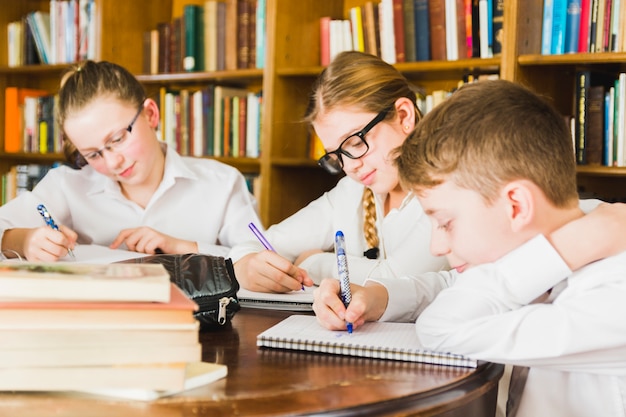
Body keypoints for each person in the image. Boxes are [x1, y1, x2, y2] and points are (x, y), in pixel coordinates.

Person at [313, 79, 626, 417]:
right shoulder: (583, 222)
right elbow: (457, 284)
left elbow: (443, 326)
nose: (436, 246)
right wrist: (378, 298)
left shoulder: (611, 293)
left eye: (445, 223)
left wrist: (567, 248)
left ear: (517, 206)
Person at [229, 51, 448, 293]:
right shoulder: (352, 191)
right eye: (336, 156)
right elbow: (258, 242)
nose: (350, 166)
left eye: (354, 143)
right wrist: (246, 265)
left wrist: (311, 262)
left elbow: (395, 282)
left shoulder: (449, 188)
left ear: (404, 116)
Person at [0, 60, 261, 261]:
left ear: (150, 114)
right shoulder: (67, 186)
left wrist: (183, 247)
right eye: (92, 154)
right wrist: (21, 240)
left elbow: (262, 253)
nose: (113, 162)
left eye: (117, 139)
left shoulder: (222, 183)